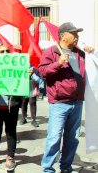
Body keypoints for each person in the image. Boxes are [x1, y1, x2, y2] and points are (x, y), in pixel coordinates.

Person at [39, 22, 93, 173]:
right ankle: (48, 169)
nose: (77, 37)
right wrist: (58, 63)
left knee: (72, 138)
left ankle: (66, 167)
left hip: (77, 103)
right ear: (63, 36)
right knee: (54, 138)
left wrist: (93, 53)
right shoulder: (51, 52)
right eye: (74, 33)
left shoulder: (80, 53)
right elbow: (42, 72)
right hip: (59, 103)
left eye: (77, 34)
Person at [0, 45, 22, 171]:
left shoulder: (17, 67)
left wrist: (28, 73)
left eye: (8, 51)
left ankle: (10, 157)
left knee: (11, 132)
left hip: (11, 106)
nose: (5, 53)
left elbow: (24, 83)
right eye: (2, 51)